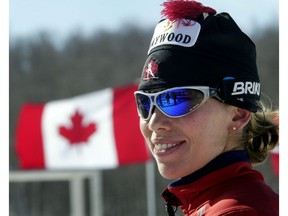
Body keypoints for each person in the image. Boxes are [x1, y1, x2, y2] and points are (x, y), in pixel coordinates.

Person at [134, 0, 279, 215]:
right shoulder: (214, 203)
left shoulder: (238, 211)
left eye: (177, 100)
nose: (154, 123)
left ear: (238, 114)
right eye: (145, 103)